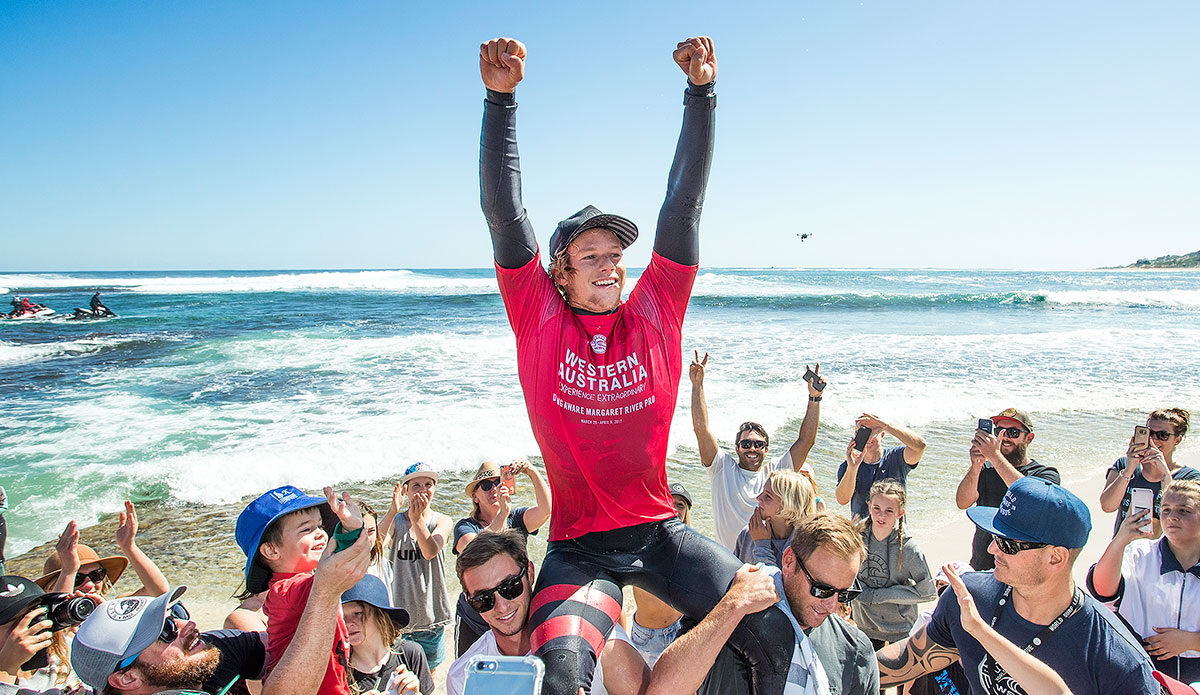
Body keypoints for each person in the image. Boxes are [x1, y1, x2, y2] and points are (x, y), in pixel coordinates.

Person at [479, 34, 796, 695]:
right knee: (561, 674)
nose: (610, 262)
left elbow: (683, 203)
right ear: (559, 273)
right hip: (578, 547)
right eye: (589, 253)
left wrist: (702, 94)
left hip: (659, 533)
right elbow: (505, 213)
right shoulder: (538, 313)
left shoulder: (656, 306)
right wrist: (500, 101)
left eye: (616, 252)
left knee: (770, 630)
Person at [877, 476, 1157, 694]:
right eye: (994, 536)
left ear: (1055, 557)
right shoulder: (969, 598)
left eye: (1008, 544)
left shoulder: (1118, 658)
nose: (992, 549)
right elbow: (911, 658)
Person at [648, 513, 879, 695]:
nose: (831, 606)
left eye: (844, 594)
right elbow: (664, 689)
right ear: (788, 561)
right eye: (822, 589)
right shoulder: (729, 607)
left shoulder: (854, 650)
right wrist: (733, 607)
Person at [446, 532, 649, 695]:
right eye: (483, 600)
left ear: (530, 573)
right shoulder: (462, 677)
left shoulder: (596, 641)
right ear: (468, 600)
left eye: (510, 587)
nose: (501, 606)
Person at [235, 485, 363, 695]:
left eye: (320, 526)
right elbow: (342, 565)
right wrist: (352, 532)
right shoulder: (288, 590)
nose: (321, 535)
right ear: (271, 550)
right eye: (306, 529)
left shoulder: (299, 585)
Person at [690, 352, 826, 549]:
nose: (752, 448)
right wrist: (697, 385)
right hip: (728, 559)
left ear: (766, 449)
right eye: (746, 444)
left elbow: (806, 441)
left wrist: (815, 398)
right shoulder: (721, 468)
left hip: (766, 558)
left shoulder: (777, 471)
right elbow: (701, 430)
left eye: (758, 444)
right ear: (737, 448)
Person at [1089, 479, 1200, 683]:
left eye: (1183, 511)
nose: (1172, 517)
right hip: (1143, 667)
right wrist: (1121, 540)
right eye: (1165, 510)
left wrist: (1192, 641)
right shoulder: (1139, 553)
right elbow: (1102, 591)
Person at [451, 458, 550, 657]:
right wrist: (502, 515)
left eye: (497, 483)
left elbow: (546, 510)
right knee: (470, 672)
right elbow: (472, 548)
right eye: (486, 486)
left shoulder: (516, 518)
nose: (493, 489)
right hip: (476, 616)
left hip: (511, 606)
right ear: (475, 496)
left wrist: (531, 471)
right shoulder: (465, 526)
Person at [955, 408, 1060, 571]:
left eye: (1012, 432)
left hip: (1023, 569)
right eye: (999, 431)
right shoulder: (985, 470)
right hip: (982, 564)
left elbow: (1032, 498)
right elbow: (962, 502)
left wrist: (995, 456)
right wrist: (976, 464)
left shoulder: (1045, 475)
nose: (1004, 438)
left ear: (1029, 438)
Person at [851, 479, 935, 649]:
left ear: (900, 513)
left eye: (889, 511)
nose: (881, 516)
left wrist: (878, 596)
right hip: (864, 626)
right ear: (869, 506)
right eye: (876, 509)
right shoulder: (855, 537)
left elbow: (929, 592)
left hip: (899, 629)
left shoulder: (909, 548)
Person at [387, 463, 452, 675]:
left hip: (430, 618)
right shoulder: (397, 522)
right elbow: (376, 545)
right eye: (416, 485)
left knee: (427, 680)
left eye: (428, 484)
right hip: (399, 621)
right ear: (405, 490)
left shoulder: (441, 520)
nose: (422, 489)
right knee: (398, 679)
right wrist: (392, 511)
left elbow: (430, 551)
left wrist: (417, 520)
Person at [1099, 408, 1196, 536]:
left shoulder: (1189, 478)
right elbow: (1107, 506)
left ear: (1177, 439)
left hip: (1163, 551)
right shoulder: (1124, 465)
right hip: (1124, 549)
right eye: (1150, 433)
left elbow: (1182, 518)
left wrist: (1165, 475)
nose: (1154, 440)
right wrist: (1129, 470)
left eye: (1163, 435)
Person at [628, 482, 692, 667]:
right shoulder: (641, 542)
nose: (675, 508)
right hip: (648, 636)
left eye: (680, 505)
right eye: (670, 502)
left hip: (681, 629)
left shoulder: (692, 546)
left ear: (686, 512)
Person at [340, 575, 431, 695]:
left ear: (380, 615)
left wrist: (417, 693)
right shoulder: (338, 667)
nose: (348, 623)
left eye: (357, 613)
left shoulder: (410, 653)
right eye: (342, 616)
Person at [835, 414, 926, 520]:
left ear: (882, 434)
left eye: (872, 432)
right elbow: (842, 500)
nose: (868, 438)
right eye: (862, 432)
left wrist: (887, 426)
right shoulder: (848, 465)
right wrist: (852, 469)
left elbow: (920, 446)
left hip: (894, 532)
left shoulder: (896, 457)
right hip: (862, 532)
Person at [733, 470, 815, 568]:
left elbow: (775, 582)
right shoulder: (748, 534)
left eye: (768, 496)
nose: (758, 497)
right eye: (762, 492)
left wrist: (761, 545)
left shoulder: (805, 548)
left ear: (789, 506)